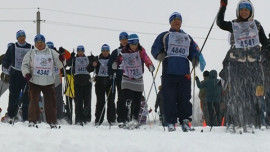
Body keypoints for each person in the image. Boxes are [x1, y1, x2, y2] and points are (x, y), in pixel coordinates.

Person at [217, 0, 269, 131]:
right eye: (242, 10)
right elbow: (220, 23)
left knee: (252, 94)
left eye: (247, 9)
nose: (244, 12)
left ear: (250, 11)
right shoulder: (234, 24)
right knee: (236, 94)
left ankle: (250, 122)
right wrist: (223, 7)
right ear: (238, 11)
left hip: (253, 64)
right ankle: (235, 122)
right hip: (236, 64)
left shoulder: (257, 25)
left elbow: (265, 42)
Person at [151, 12, 202, 132]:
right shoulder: (165, 35)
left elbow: (194, 50)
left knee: (184, 97)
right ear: (170, 22)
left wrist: (195, 58)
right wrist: (159, 55)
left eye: (179, 19)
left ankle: (185, 121)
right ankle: (170, 122)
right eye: (174, 20)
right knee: (169, 97)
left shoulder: (187, 37)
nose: (177, 21)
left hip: (184, 72)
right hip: (169, 70)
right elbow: (155, 48)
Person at [21, 34, 65, 127]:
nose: (39, 44)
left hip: (48, 82)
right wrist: (26, 73)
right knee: (33, 101)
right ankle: (32, 121)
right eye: (37, 42)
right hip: (34, 81)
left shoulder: (51, 52)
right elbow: (24, 65)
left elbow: (61, 64)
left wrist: (62, 59)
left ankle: (52, 122)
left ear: (44, 43)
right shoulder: (31, 53)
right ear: (35, 43)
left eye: (41, 42)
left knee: (51, 102)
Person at [113, 34, 154, 129]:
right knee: (128, 99)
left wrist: (150, 65)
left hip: (138, 78)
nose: (134, 46)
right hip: (127, 78)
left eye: (136, 44)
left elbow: (146, 58)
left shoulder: (141, 50)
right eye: (132, 44)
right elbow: (118, 59)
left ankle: (135, 119)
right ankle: (127, 118)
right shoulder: (124, 51)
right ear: (129, 44)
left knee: (137, 101)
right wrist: (115, 64)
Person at [2, 30, 32, 122]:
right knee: (13, 96)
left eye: (23, 36)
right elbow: (6, 58)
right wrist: (6, 63)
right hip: (15, 73)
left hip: (26, 74)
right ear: (17, 38)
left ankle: (26, 117)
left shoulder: (31, 47)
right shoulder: (12, 47)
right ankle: (11, 115)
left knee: (27, 96)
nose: (22, 38)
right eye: (20, 36)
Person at [66, 45, 94, 125]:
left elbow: (92, 68)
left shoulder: (87, 58)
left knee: (87, 101)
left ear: (84, 51)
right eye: (79, 51)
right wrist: (71, 57)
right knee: (78, 102)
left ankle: (87, 119)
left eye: (82, 51)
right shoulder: (74, 59)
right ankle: (79, 119)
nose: (80, 53)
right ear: (77, 52)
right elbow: (68, 64)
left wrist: (93, 60)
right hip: (77, 82)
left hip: (87, 82)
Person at [46, 41, 71, 121]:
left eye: (52, 48)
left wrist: (63, 50)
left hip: (57, 80)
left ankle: (59, 116)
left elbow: (68, 56)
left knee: (58, 99)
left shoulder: (58, 55)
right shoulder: (44, 54)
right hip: (47, 80)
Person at [108, 31, 128, 128]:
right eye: (122, 39)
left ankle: (128, 117)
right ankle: (121, 118)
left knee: (129, 98)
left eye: (126, 39)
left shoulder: (132, 50)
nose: (124, 41)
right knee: (121, 98)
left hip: (130, 78)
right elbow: (110, 64)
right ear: (120, 40)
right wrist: (111, 73)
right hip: (119, 78)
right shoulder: (116, 51)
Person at [93, 44, 116, 126]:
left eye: (107, 51)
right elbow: (89, 69)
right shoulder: (97, 58)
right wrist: (93, 64)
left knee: (111, 101)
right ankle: (98, 120)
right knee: (100, 102)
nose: (105, 52)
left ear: (109, 51)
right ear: (101, 51)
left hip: (110, 82)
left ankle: (111, 119)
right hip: (99, 82)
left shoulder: (112, 59)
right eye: (103, 51)